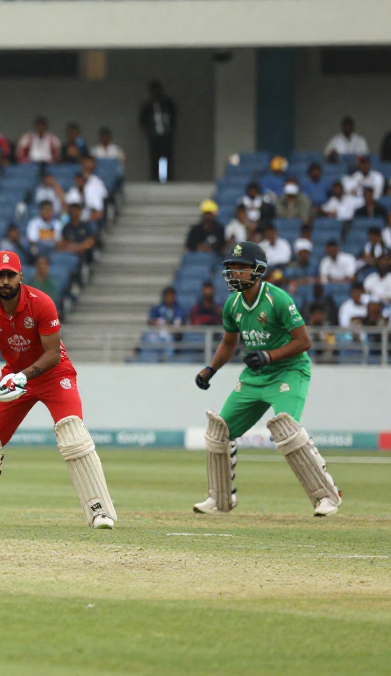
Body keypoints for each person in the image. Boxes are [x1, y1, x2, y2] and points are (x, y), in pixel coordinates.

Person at [0, 250, 116, 529]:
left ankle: (100, 511)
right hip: (13, 378)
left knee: (73, 435)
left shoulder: (41, 303)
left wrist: (22, 376)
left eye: (10, 275)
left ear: (20, 276)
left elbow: (53, 354)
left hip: (54, 374)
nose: (4, 281)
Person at [193, 241, 339, 517]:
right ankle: (220, 499)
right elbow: (228, 343)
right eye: (230, 268)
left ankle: (326, 496)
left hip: (289, 370)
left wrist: (270, 356)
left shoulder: (278, 299)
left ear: (257, 271)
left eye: (240, 268)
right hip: (256, 374)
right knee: (219, 433)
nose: (234, 273)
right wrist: (210, 370)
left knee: (288, 432)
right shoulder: (233, 304)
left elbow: (304, 341)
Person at [138, 79, 176, 182]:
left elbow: (174, 118)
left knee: (166, 157)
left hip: (166, 135)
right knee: (155, 157)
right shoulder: (148, 106)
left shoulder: (168, 103)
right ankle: (155, 177)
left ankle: (166, 178)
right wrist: (148, 133)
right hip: (154, 136)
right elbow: (142, 121)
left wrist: (171, 130)